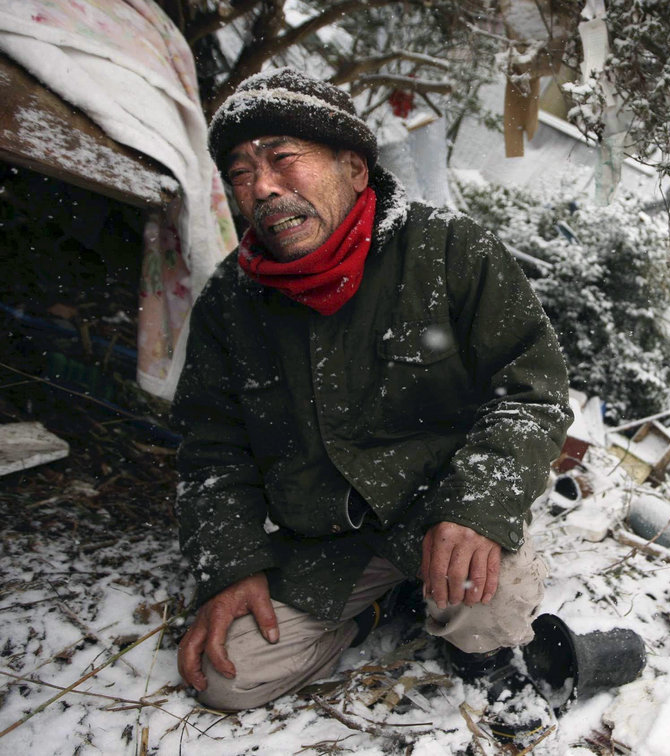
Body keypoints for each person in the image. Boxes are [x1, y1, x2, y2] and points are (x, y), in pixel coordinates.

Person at [172, 67, 571, 711]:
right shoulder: (230, 302)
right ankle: (377, 608)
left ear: (355, 169)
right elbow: (210, 447)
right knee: (225, 676)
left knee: (489, 610)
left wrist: (475, 510)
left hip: (439, 513)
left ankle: (465, 624)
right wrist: (234, 563)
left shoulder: (450, 251)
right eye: (242, 172)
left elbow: (531, 390)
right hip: (319, 541)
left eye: (283, 159)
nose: (264, 188)